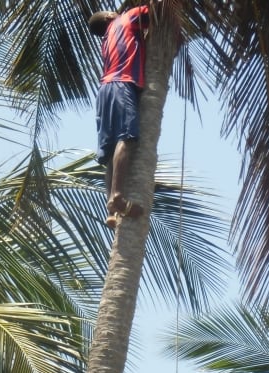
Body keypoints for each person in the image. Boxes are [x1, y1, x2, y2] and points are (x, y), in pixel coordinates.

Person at [89, 4, 149, 229]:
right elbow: (158, 9)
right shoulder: (125, 20)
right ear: (108, 17)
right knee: (127, 138)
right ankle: (117, 197)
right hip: (122, 85)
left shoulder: (107, 39)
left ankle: (111, 210)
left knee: (111, 150)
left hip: (105, 90)